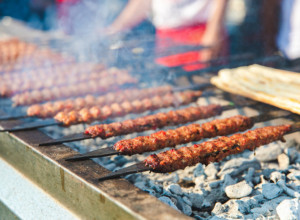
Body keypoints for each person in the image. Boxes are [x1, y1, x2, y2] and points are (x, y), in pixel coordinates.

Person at [106, 0, 229, 71]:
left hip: (202, 32)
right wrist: (115, 28)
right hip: (167, 36)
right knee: (169, 80)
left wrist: (215, 30)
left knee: (204, 83)